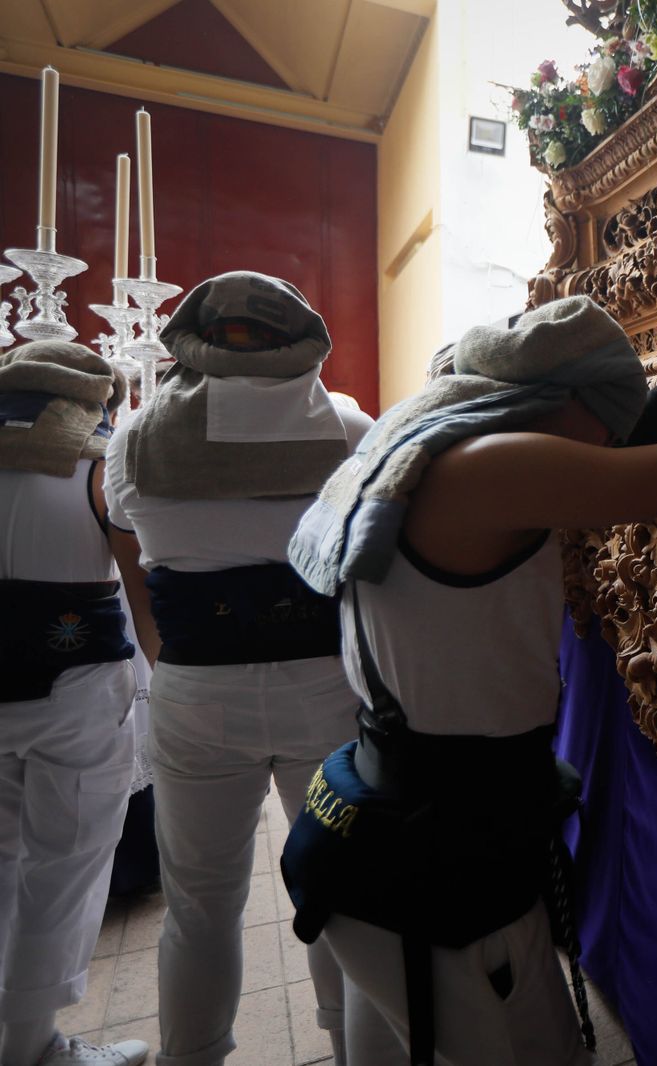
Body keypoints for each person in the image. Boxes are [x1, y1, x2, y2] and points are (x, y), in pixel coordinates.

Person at [280, 289, 657, 1065]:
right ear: (560, 404)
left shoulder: (431, 440)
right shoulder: (492, 467)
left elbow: (624, 455)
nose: (612, 437)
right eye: (604, 415)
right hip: (438, 865)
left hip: (389, 832)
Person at [101, 272, 372, 1066]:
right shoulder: (352, 430)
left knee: (198, 907)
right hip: (325, 686)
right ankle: (355, 1051)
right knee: (339, 896)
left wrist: (164, 659)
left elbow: (128, 544)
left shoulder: (133, 441)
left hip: (194, 687)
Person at [0, 341, 149, 1066]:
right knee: (64, 868)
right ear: (95, 398)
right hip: (75, 685)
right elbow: (138, 574)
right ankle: (33, 1046)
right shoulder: (98, 460)